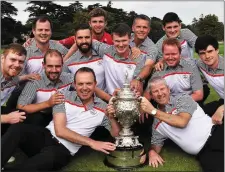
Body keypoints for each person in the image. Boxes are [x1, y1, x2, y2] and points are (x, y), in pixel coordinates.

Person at [1, 67, 121, 171]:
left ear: (95, 84)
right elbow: (60, 130)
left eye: (88, 84)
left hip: (62, 150)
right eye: (80, 84)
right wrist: (92, 143)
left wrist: (111, 118)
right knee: (18, 129)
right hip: (46, 136)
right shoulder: (63, 97)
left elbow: (116, 135)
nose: (84, 88)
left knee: (35, 164)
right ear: (74, 84)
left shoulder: (103, 108)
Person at [140, 76, 223, 172]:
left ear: (168, 90)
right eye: (155, 91)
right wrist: (151, 152)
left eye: (162, 89)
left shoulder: (182, 99)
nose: (160, 93)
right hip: (204, 153)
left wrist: (153, 111)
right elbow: (156, 144)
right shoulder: (157, 122)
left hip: (217, 135)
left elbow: (182, 122)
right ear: (151, 95)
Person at [17, 49, 74, 127]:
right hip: (41, 117)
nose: (54, 70)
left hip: (62, 116)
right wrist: (47, 103)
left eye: (57, 66)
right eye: (50, 66)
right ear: (43, 65)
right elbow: (21, 106)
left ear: (62, 65)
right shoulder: (35, 81)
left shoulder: (68, 78)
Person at [91, 23, 147, 99]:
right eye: (117, 41)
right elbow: (87, 39)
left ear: (130, 39)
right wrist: (68, 57)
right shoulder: (105, 50)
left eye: (124, 40)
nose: (121, 45)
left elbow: (139, 86)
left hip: (129, 102)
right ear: (112, 39)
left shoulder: (139, 58)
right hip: (108, 100)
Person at [148, 38, 204, 103]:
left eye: (174, 54)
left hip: (189, 103)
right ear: (163, 54)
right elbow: (148, 93)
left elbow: (198, 95)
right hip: (167, 106)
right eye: (167, 54)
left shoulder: (191, 66)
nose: (170, 57)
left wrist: (175, 103)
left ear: (180, 54)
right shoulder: (159, 69)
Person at [63, 24, 106, 91]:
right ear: (75, 39)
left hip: (105, 100)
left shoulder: (104, 57)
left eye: (87, 37)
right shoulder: (68, 63)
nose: (84, 41)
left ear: (92, 37)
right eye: (80, 38)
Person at [195, 35, 224, 120]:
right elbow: (183, 61)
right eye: (202, 53)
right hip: (222, 100)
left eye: (210, 51)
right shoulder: (200, 64)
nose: (207, 56)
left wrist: (222, 109)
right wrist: (162, 60)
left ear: (217, 50)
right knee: (199, 115)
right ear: (199, 55)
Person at [1, 43, 27, 135]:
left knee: (22, 114)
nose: (16, 65)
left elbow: (17, 79)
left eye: (20, 61)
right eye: (13, 60)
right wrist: (7, 118)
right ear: (2, 58)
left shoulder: (10, 76)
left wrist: (28, 76)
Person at [130, 14, 159, 83]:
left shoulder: (152, 48)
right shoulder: (125, 38)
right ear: (133, 28)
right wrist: (129, 48)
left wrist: (137, 80)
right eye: (138, 27)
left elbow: (148, 66)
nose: (141, 30)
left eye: (145, 27)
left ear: (149, 30)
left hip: (138, 80)